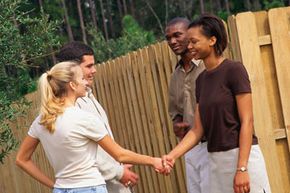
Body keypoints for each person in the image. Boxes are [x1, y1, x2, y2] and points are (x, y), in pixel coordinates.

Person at [16, 61, 164, 193]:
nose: (85, 82)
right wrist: (153, 161)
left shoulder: (41, 121)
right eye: (81, 79)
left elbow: (22, 159)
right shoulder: (84, 119)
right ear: (72, 85)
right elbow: (120, 154)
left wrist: (54, 186)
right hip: (91, 187)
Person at [162, 14, 271, 193]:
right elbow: (197, 130)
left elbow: (247, 122)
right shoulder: (202, 80)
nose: (189, 46)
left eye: (194, 42)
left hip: (242, 157)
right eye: (188, 42)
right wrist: (171, 157)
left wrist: (242, 168)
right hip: (216, 161)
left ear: (212, 40)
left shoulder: (234, 70)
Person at [55, 42, 138, 193]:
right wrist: (118, 172)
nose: (94, 70)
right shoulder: (72, 107)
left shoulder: (87, 96)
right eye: (89, 66)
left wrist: (117, 169)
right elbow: (84, 152)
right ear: (72, 69)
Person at [165, 17, 209, 193]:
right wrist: (177, 124)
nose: (172, 41)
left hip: (212, 145)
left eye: (177, 35)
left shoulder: (207, 67)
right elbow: (175, 111)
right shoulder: (175, 75)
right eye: (168, 38)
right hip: (190, 149)